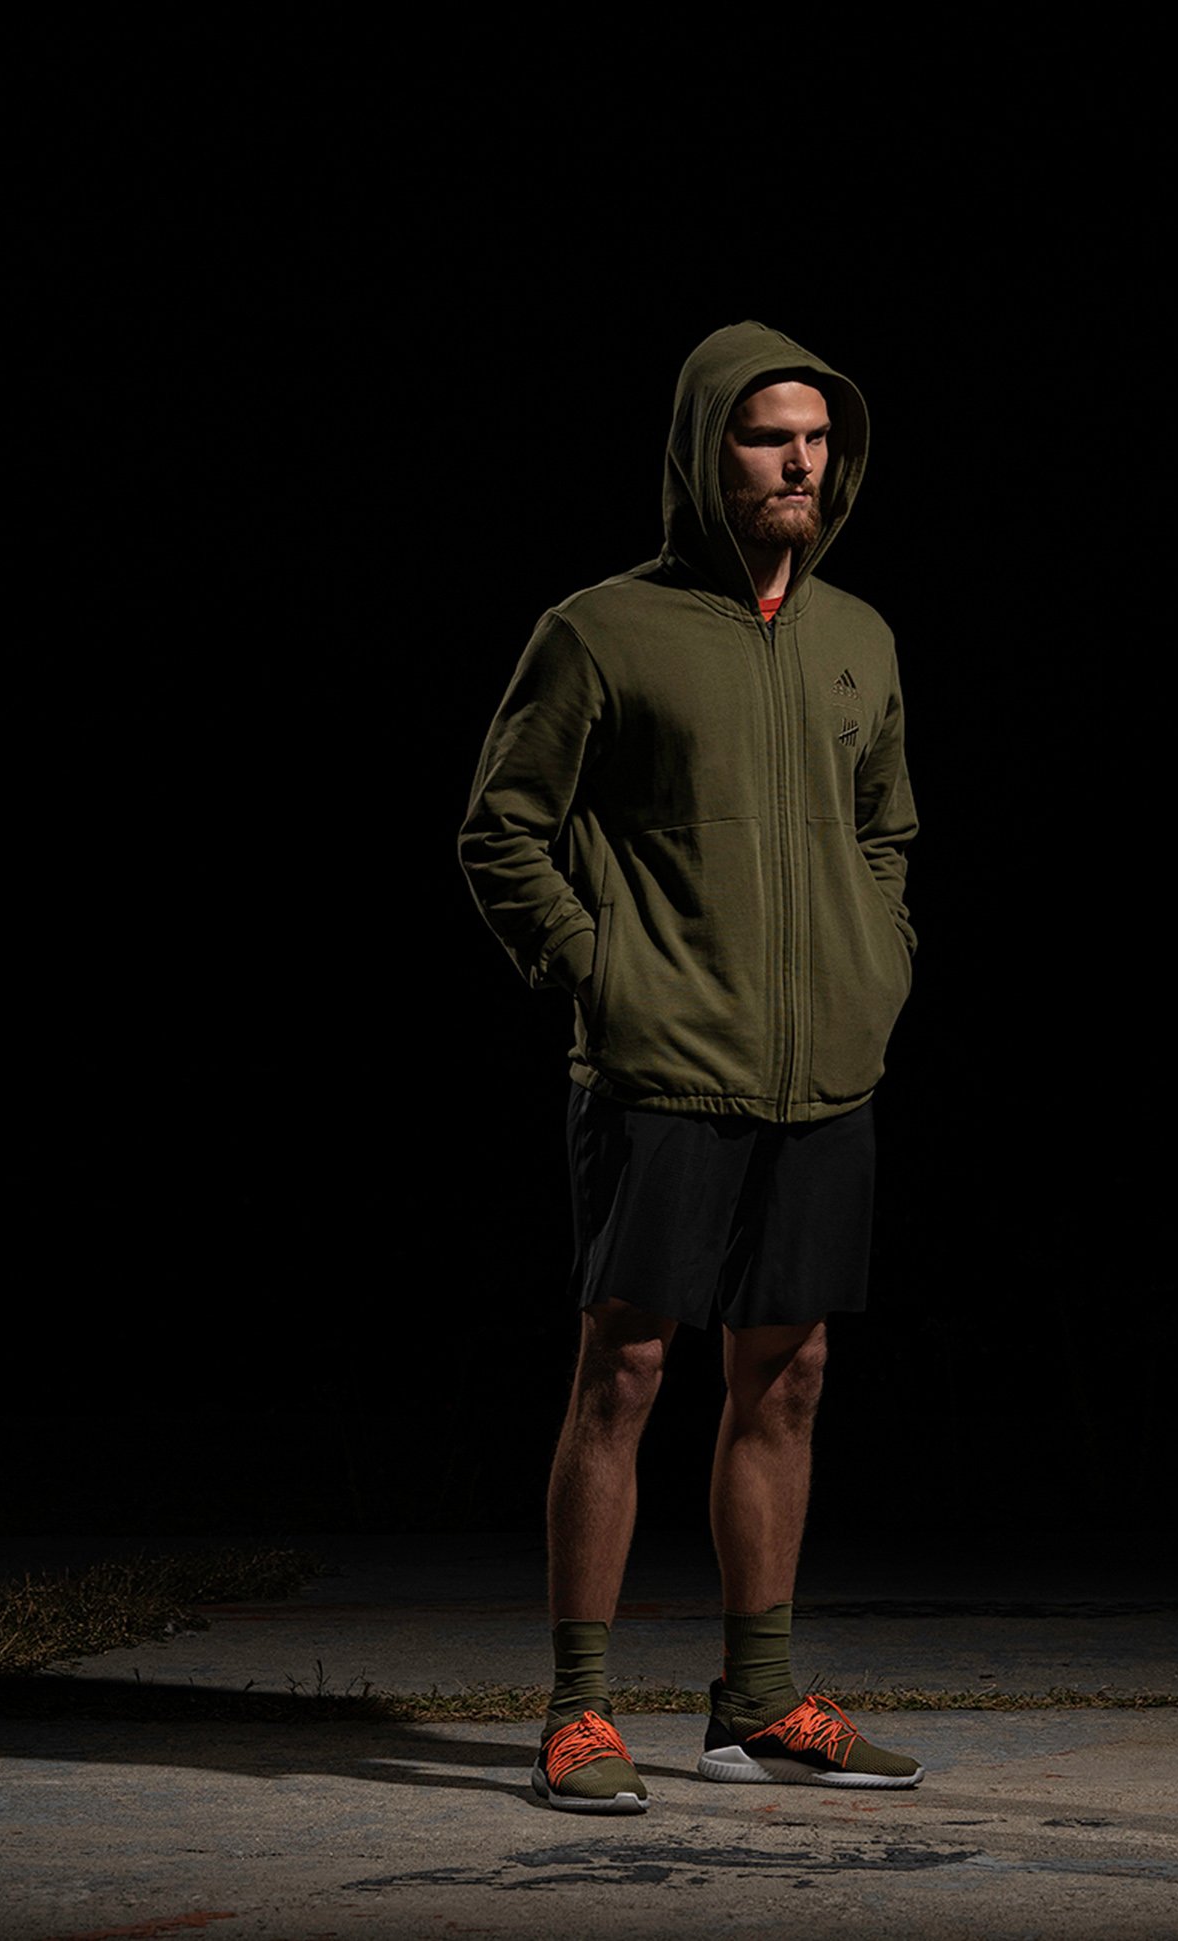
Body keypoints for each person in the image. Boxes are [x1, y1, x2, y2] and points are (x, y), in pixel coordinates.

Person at [458, 321, 925, 1813]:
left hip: (824, 1071)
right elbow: (502, 830)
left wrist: (877, 963)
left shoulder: (861, 636)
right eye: (767, 435)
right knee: (627, 1367)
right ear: (703, 449)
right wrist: (602, 972)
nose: (801, 462)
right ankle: (580, 1712)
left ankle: (759, 1701)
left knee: (790, 1372)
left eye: (818, 438)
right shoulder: (604, 630)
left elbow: (887, 832)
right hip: (660, 1066)